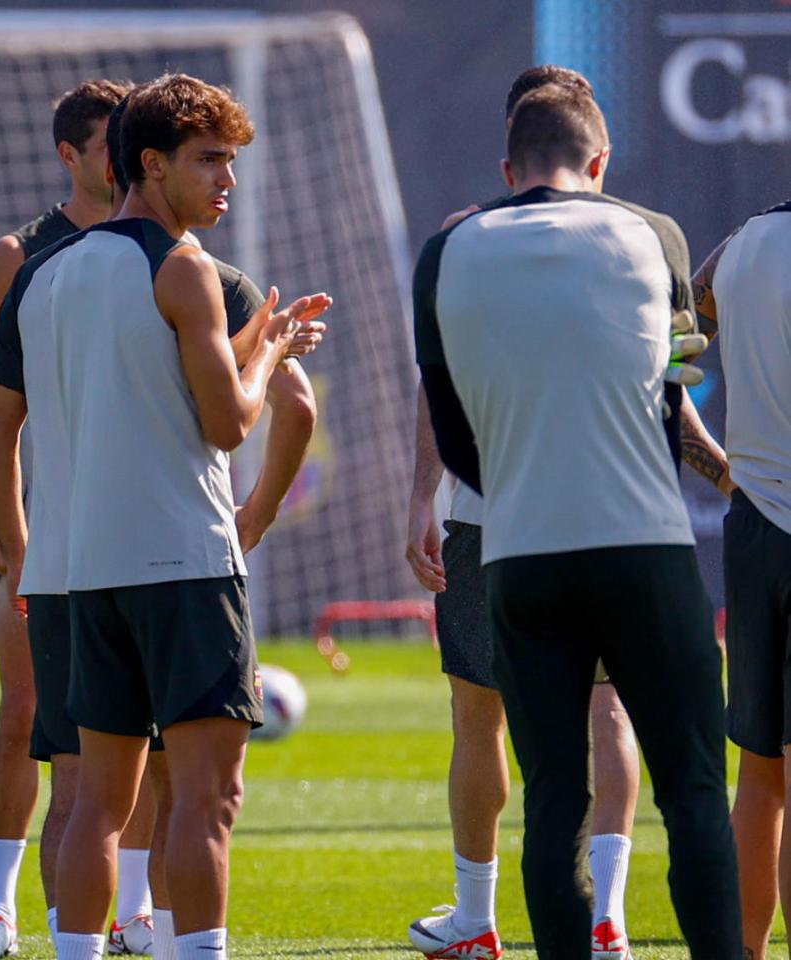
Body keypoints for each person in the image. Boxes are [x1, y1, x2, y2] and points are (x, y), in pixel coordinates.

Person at [400, 66, 726, 959]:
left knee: (551, 799)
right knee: (695, 793)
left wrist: (512, 489)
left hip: (518, 545)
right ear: (602, 160)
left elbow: (449, 423)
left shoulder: (450, 249)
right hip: (642, 543)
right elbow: (671, 394)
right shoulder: (654, 234)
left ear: (509, 168)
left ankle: (502, 922)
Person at [14, 73, 324, 960]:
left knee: (97, 805)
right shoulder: (182, 265)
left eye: (231, 160)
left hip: (82, 573)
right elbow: (228, 423)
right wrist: (271, 350)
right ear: (151, 163)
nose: (228, 180)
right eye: (209, 160)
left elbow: (121, 395)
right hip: (181, 565)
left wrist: (251, 342)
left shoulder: (45, 273)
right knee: (203, 800)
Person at [0, 78, 128, 960]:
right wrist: (12, 535)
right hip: (47, 536)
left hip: (135, 535)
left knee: (137, 741)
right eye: (108, 143)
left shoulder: (162, 243)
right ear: (70, 155)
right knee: (25, 716)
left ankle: (131, 914)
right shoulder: (21, 254)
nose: (125, 157)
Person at [697, 197, 791, 960]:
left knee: (759, 776)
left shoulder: (741, 243)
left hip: (755, 528)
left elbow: (663, 348)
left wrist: (723, 473)